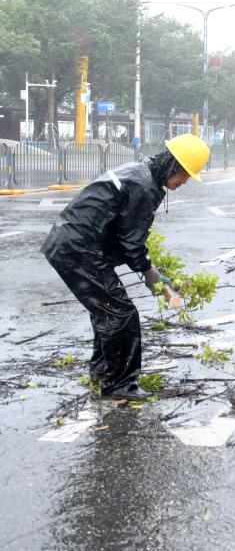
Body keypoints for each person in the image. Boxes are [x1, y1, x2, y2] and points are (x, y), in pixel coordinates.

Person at [42, 134, 210, 400]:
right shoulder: (144, 186)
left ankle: (101, 373)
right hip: (78, 249)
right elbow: (131, 242)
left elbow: (124, 235)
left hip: (74, 245)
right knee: (122, 315)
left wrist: (147, 269)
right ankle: (119, 385)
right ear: (171, 165)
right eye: (184, 174)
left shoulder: (142, 173)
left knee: (108, 311)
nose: (184, 182)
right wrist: (150, 273)